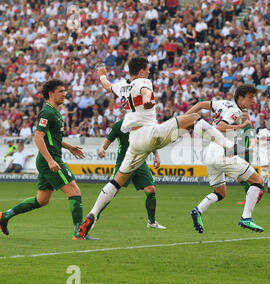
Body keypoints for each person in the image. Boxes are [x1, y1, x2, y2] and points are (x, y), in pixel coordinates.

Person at [78, 57, 244, 238]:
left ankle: (92, 215)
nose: (149, 72)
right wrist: (148, 99)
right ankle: (229, 146)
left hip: (134, 141)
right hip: (151, 134)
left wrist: (101, 74)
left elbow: (107, 85)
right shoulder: (143, 81)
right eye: (148, 69)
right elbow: (145, 91)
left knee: (117, 181)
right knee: (195, 117)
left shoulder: (121, 86)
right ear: (141, 71)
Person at [0, 79, 93, 240]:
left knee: (41, 200)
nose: (64, 94)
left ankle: (5, 216)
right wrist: (50, 160)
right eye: (61, 91)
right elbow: (38, 137)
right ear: (51, 94)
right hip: (49, 160)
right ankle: (79, 233)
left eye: (65, 91)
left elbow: (53, 138)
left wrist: (69, 147)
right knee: (74, 190)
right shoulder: (47, 112)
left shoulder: (55, 113)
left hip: (48, 159)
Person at [186, 84, 265, 233]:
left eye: (254, 97)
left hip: (210, 153)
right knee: (258, 181)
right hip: (224, 152)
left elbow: (200, 104)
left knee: (220, 192)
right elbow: (220, 127)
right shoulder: (235, 111)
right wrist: (240, 126)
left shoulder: (222, 103)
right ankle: (246, 218)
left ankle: (198, 210)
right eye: (250, 97)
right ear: (240, 98)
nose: (253, 101)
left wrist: (184, 119)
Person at [95, 118, 166, 230]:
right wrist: (101, 148)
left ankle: (151, 222)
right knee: (114, 190)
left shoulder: (143, 124)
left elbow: (150, 142)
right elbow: (107, 140)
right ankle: (94, 216)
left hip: (139, 161)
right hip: (123, 162)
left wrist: (156, 155)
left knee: (151, 189)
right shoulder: (119, 125)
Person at [236, 109, 258, 205]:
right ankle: (252, 196)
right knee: (240, 178)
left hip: (246, 155)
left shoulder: (248, 127)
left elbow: (253, 140)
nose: (243, 117)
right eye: (242, 115)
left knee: (242, 177)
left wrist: (249, 148)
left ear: (247, 117)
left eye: (245, 115)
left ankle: (251, 197)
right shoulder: (241, 128)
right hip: (240, 155)